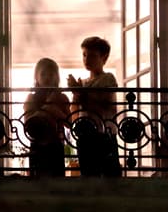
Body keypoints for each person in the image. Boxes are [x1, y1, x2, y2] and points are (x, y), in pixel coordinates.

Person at [66, 36, 121, 177]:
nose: (87, 59)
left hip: (104, 135)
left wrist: (79, 92)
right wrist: (76, 94)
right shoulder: (83, 83)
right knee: (88, 176)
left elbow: (101, 102)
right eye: (84, 55)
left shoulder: (108, 78)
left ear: (104, 57)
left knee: (109, 177)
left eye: (92, 56)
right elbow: (75, 111)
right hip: (85, 134)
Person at [22, 57, 72, 177]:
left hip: (56, 144)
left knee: (57, 181)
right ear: (36, 77)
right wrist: (47, 107)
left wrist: (55, 111)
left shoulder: (62, 97)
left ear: (56, 77)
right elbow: (27, 123)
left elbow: (69, 123)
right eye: (43, 74)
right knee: (37, 181)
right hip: (37, 144)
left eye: (51, 74)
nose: (47, 78)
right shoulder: (31, 98)